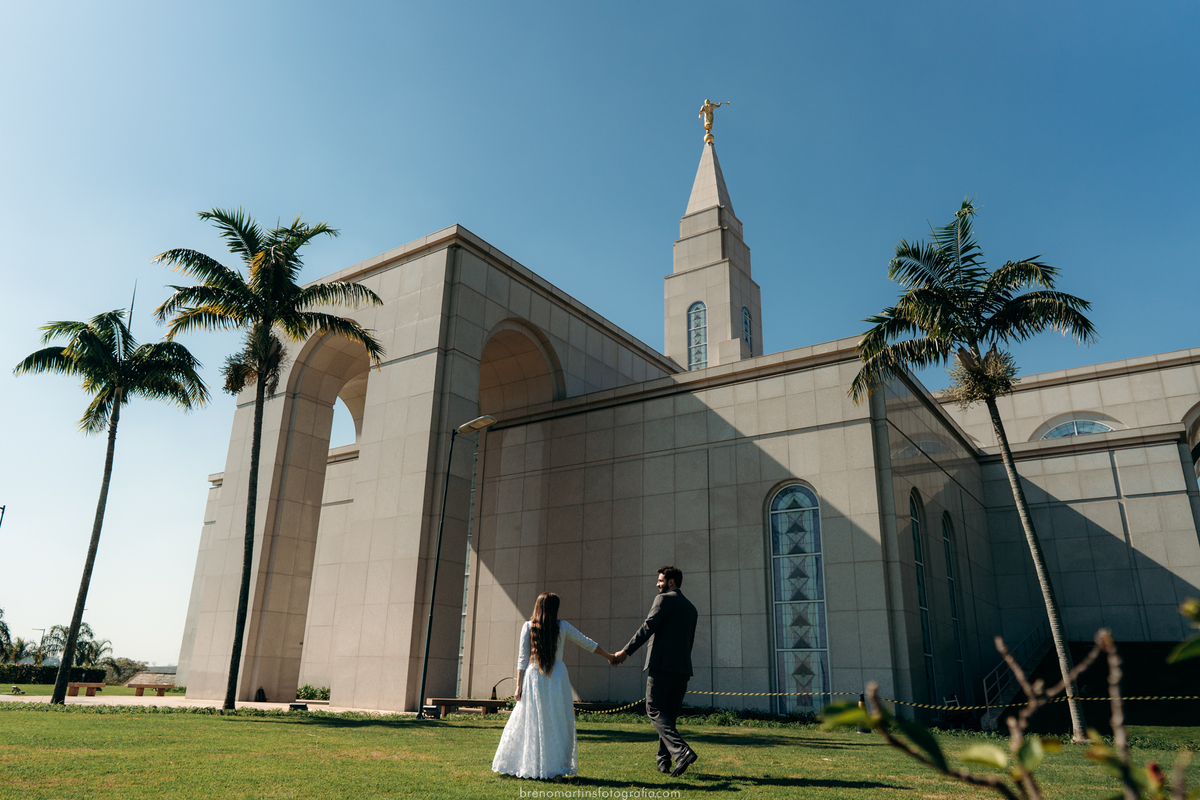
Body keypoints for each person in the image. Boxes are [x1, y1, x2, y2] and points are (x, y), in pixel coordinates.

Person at [492, 592, 617, 782]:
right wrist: (609, 656)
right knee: (556, 722)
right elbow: (586, 642)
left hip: (534, 677)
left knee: (532, 721)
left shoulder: (528, 627)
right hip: (557, 678)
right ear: (554, 609)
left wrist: (518, 686)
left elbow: (522, 660)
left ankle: (532, 765)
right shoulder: (563, 626)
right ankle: (556, 770)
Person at [611, 565, 700, 777]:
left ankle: (681, 751)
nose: (657, 584)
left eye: (660, 580)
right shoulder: (692, 609)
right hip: (682, 670)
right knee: (668, 716)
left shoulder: (663, 600)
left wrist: (625, 652)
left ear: (671, 582)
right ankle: (663, 762)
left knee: (654, 709)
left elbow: (647, 627)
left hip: (661, 667)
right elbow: (690, 642)